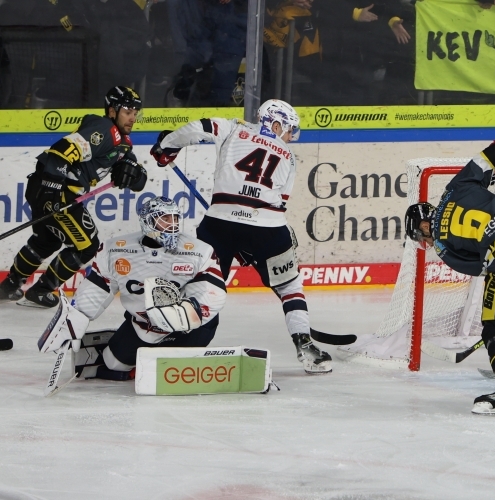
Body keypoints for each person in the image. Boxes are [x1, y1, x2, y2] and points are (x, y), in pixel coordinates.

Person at [149, 99, 332, 374]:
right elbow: (280, 203)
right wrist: (250, 239)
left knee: (204, 287)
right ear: (276, 124)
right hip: (268, 227)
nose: (289, 137)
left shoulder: (234, 128)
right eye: (288, 130)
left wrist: (167, 147)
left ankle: (181, 341)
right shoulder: (289, 156)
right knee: (289, 287)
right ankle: (305, 345)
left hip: (219, 223)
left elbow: (197, 128)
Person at [404, 142, 495, 415]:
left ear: (425, 225)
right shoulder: (456, 188)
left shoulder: (443, 247)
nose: (427, 242)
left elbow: (485, 268)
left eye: (422, 236)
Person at [40, 196, 227, 381]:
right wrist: (74, 320)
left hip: (189, 327)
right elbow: (97, 288)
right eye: (165, 219)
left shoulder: (198, 251)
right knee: (113, 364)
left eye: (175, 218)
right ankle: (131, 355)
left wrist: (185, 315)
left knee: (174, 363)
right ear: (147, 221)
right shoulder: (115, 250)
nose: (172, 224)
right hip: (144, 325)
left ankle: (171, 357)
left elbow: (211, 292)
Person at [0, 86, 148, 308]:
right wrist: (52, 189)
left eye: (135, 113)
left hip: (42, 187)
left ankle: (9, 285)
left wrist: (133, 172)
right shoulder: (104, 130)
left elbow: (137, 177)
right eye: (127, 112)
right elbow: (61, 151)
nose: (132, 118)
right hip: (57, 191)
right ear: (112, 111)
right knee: (87, 246)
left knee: (46, 240)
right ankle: (41, 290)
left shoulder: (122, 142)